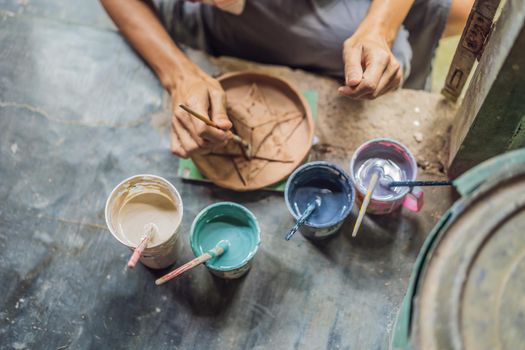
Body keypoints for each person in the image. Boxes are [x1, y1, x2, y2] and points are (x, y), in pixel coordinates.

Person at [101, 0, 473, 158]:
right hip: (222, 18)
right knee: (359, 45)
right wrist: (178, 74)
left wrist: (380, 28)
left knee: (454, 14)